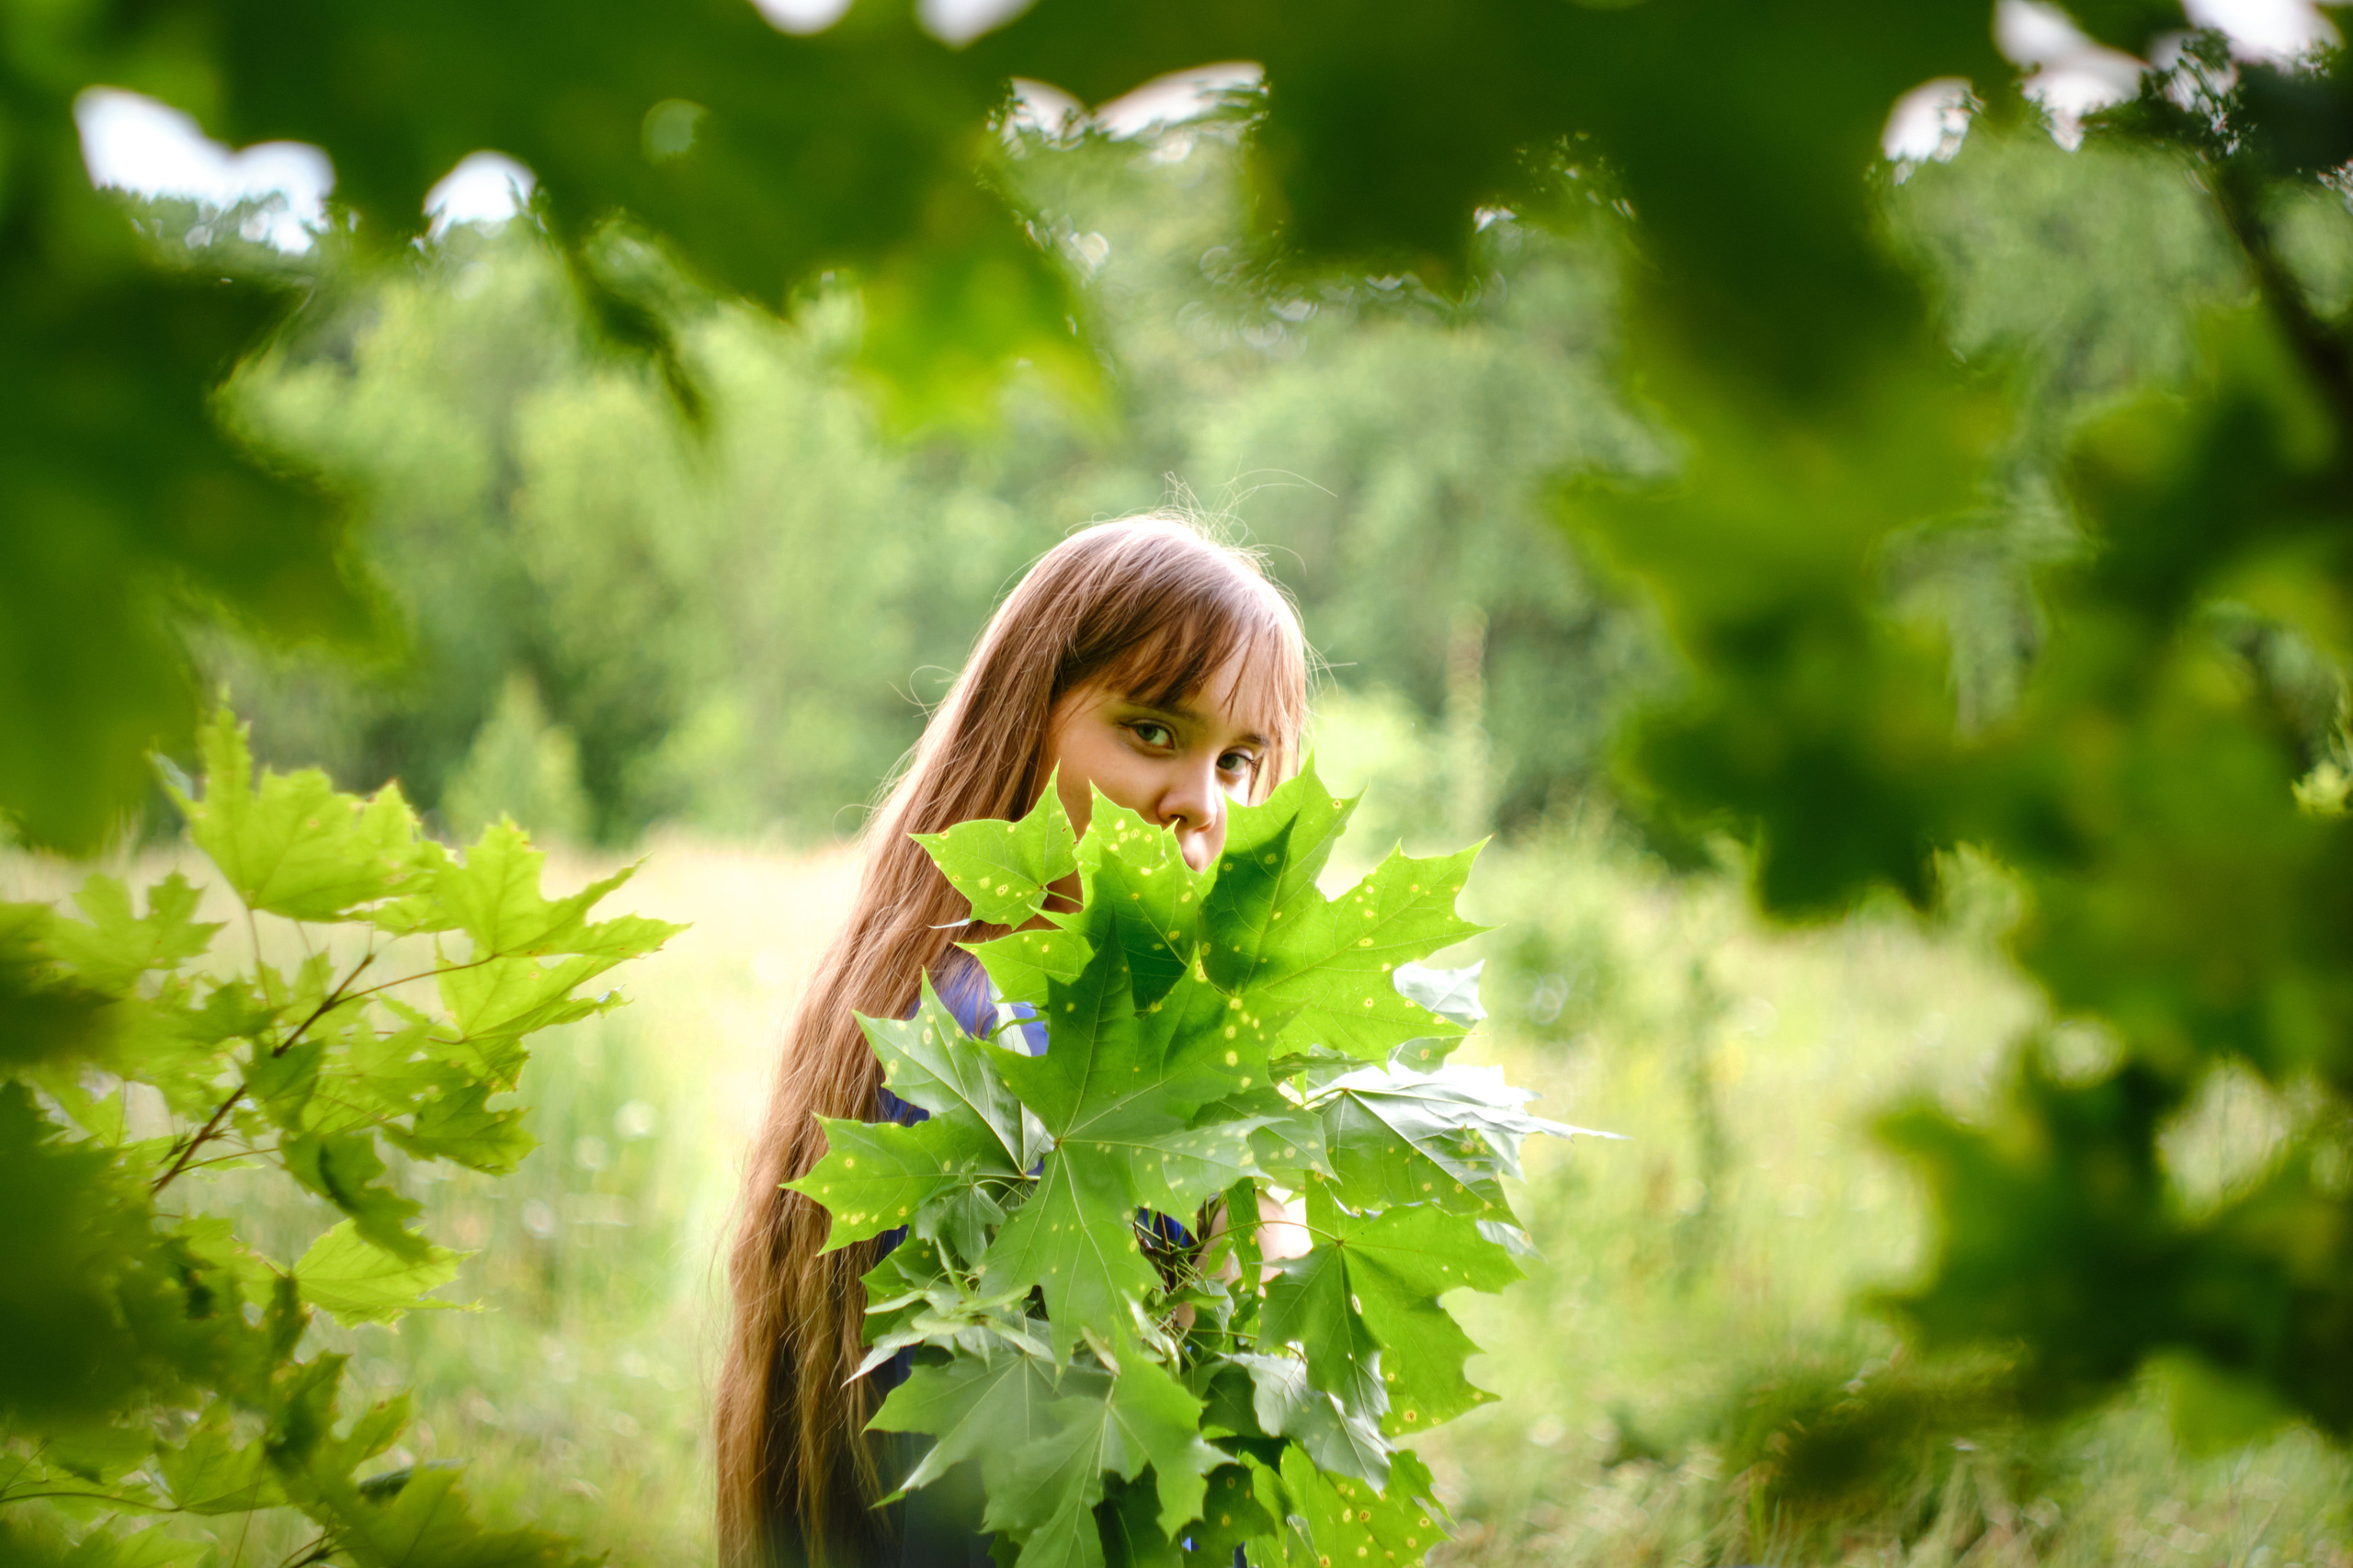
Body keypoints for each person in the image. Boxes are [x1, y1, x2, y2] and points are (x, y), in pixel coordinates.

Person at [716, 514, 1313, 1568]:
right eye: (1154, 731)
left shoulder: (950, 1005)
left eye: (1240, 760)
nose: (1199, 804)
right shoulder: (997, 1046)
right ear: (1022, 724)